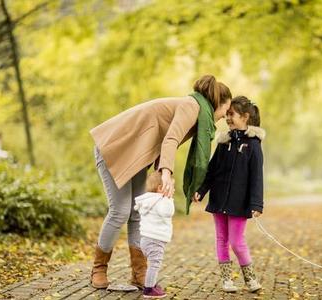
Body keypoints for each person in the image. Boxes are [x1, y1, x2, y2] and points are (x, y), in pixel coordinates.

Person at [89, 75, 232, 289]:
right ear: (217, 104)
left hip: (137, 156)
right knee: (119, 210)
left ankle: (139, 273)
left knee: (137, 211)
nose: (224, 116)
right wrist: (166, 172)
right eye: (225, 110)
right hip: (115, 149)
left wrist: (161, 172)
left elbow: (160, 138)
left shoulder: (198, 115)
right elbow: (171, 139)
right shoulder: (191, 106)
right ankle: (98, 270)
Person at [193, 96, 265, 293]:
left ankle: (250, 279)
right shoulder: (224, 142)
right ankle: (227, 280)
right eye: (227, 114)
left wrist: (256, 204)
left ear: (245, 117)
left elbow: (256, 177)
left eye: (231, 114)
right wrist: (201, 189)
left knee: (236, 241)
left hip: (239, 203)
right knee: (221, 240)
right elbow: (212, 169)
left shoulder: (254, 146)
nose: (227, 117)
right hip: (219, 198)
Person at [134, 171, 174, 299]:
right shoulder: (161, 201)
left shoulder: (149, 200)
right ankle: (149, 289)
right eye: (171, 187)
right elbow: (167, 212)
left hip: (146, 239)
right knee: (155, 264)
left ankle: (151, 283)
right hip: (155, 240)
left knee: (153, 264)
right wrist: (169, 199)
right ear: (161, 188)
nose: (173, 190)